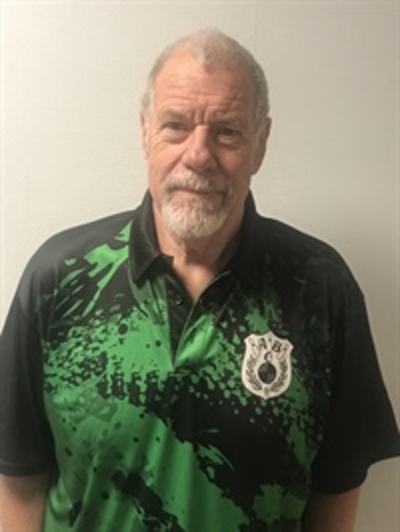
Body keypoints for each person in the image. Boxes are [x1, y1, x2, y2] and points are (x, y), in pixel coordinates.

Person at [0, 28, 399, 532]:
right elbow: (19, 479)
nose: (198, 155)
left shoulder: (320, 287)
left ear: (260, 144)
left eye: (226, 131)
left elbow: (338, 486)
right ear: (145, 133)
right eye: (175, 126)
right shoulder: (60, 278)